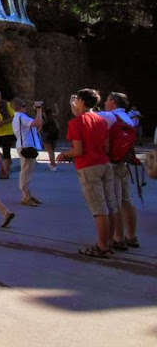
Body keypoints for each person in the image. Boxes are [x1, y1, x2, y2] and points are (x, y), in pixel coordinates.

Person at [57, 88, 116, 258]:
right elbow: (106, 147)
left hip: (89, 167)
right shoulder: (101, 120)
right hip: (105, 164)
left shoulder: (76, 122)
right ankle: (109, 242)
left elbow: (78, 150)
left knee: (99, 209)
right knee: (109, 206)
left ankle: (102, 247)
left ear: (82, 101)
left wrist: (63, 155)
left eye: (77, 100)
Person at [98, 92, 140, 251]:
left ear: (113, 102)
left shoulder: (109, 116)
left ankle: (118, 238)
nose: (105, 102)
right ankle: (132, 236)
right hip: (124, 164)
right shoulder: (129, 118)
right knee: (127, 201)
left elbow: (86, 115)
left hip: (112, 164)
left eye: (108, 100)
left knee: (113, 203)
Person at [12, 97, 44, 207]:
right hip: (26, 146)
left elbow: (38, 123)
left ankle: (28, 195)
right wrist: (39, 109)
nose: (25, 108)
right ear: (20, 107)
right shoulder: (21, 117)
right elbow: (37, 123)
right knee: (26, 172)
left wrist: (38, 112)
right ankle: (25, 196)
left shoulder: (20, 117)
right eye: (24, 105)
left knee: (28, 171)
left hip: (26, 146)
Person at [41, 105, 60, 171]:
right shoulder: (53, 117)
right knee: (52, 151)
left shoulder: (43, 119)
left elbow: (40, 127)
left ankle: (53, 165)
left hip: (46, 136)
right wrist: (56, 106)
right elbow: (57, 112)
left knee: (50, 152)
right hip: (54, 136)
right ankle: (52, 163)